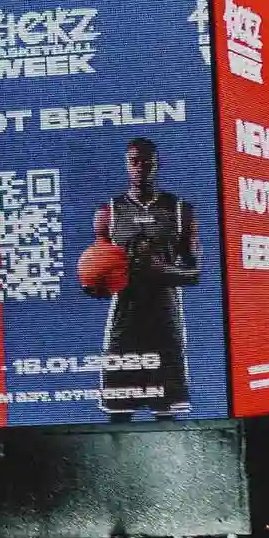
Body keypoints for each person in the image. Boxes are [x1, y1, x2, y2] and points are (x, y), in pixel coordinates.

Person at [91, 138, 199, 420]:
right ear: (127, 165)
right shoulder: (108, 212)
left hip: (164, 317)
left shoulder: (179, 210)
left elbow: (195, 273)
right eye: (134, 161)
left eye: (147, 160)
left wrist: (162, 272)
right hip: (125, 317)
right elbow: (96, 272)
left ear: (158, 163)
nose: (141, 167)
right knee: (118, 412)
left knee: (167, 413)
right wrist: (94, 283)